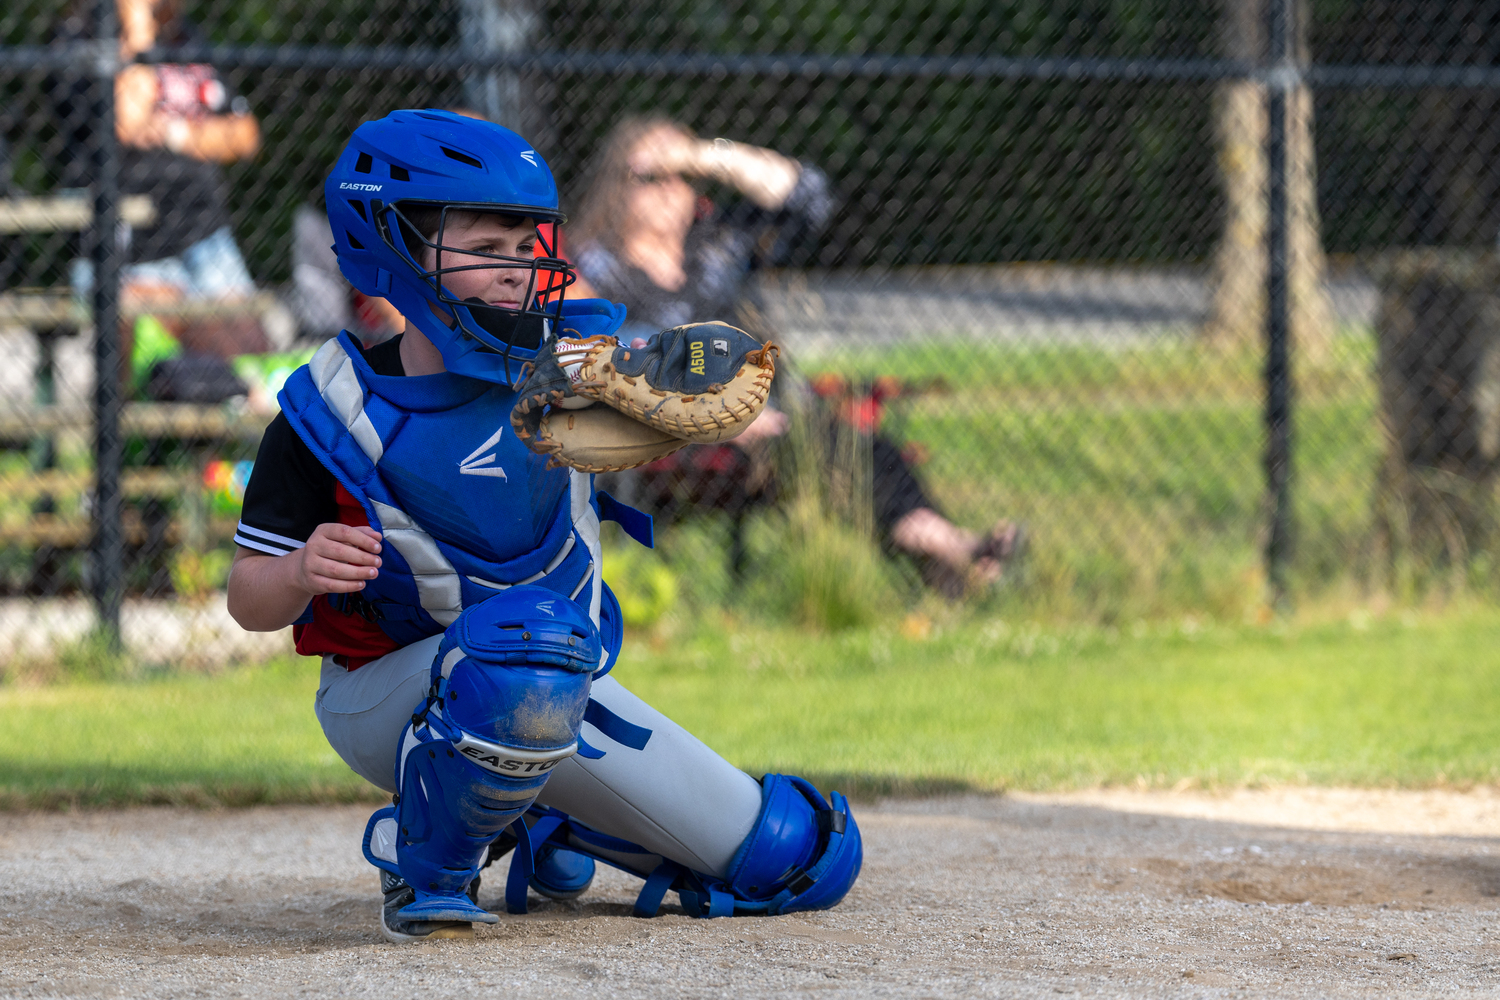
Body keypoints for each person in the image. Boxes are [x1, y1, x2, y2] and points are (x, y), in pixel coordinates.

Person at [226, 110, 861, 943]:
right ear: (391, 247)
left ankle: (537, 815)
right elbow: (248, 600)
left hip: (553, 679)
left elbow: (682, 387)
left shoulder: (564, 373)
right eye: (485, 250)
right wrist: (302, 569)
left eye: (527, 251)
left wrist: (685, 403)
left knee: (798, 854)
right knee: (518, 644)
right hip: (384, 699)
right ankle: (430, 863)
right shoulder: (331, 412)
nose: (517, 273)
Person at [568, 118, 1023, 594]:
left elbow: (808, 195)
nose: (670, 191)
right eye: (651, 178)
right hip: (683, 440)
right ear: (615, 185)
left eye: (684, 179)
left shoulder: (716, 249)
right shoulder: (597, 268)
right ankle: (958, 552)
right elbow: (601, 363)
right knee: (818, 451)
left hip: (776, 422)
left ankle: (944, 553)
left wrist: (701, 154)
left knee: (868, 450)